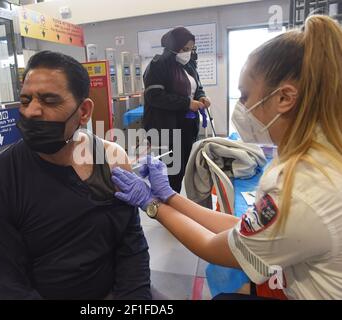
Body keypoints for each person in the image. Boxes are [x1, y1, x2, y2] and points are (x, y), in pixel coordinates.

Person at [111, 15, 342, 300]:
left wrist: (152, 205)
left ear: (285, 98)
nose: (241, 107)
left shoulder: (305, 188)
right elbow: (241, 227)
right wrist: (170, 197)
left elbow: (215, 247)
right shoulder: (318, 155)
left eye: (245, 96)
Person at [0, 51, 151, 300]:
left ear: (83, 111)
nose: (31, 111)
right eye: (25, 100)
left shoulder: (111, 159)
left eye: (49, 101)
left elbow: (131, 244)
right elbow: (9, 287)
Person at [142, 26, 212, 193]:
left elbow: (197, 87)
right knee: (170, 169)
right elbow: (155, 96)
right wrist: (187, 103)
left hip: (187, 126)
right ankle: (167, 204)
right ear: (174, 46)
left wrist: (202, 97)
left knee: (182, 168)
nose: (187, 52)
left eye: (190, 49)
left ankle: (176, 199)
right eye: (184, 48)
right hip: (166, 127)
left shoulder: (189, 65)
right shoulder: (158, 65)